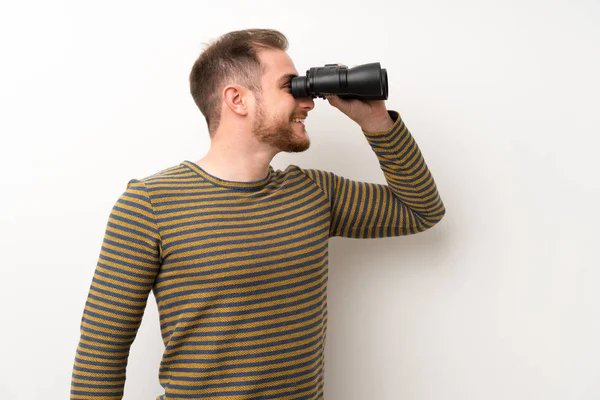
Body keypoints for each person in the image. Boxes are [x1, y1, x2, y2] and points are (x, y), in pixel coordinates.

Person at [70, 28, 446, 400]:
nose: (309, 102)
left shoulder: (314, 193)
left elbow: (420, 210)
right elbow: (101, 351)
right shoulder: (150, 204)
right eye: (290, 86)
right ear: (237, 99)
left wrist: (376, 121)